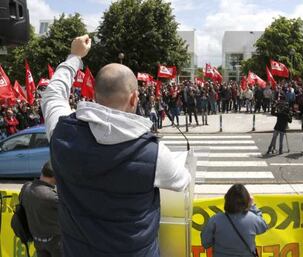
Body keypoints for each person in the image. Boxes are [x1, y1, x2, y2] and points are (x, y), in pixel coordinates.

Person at [41, 35, 191, 257]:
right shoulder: (155, 154)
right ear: (134, 98)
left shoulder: (61, 133)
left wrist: (75, 56)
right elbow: (183, 181)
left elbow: (53, 94)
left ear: (94, 94)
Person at [201, 184, 267, 257]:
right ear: (247, 201)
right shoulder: (252, 219)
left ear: (226, 199)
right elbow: (263, 226)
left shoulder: (215, 220)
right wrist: (252, 206)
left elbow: (205, 243)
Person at [20, 161, 61, 257]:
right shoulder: (52, 197)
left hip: (37, 240)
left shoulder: (26, 188)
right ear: (55, 177)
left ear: (42, 171)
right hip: (56, 243)